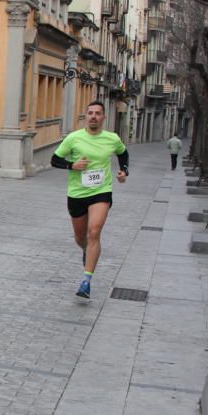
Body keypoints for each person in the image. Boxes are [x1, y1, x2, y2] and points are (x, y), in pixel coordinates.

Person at [51, 101, 129, 298]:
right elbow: (55, 159)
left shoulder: (112, 138)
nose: (93, 116)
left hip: (101, 191)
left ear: (104, 117)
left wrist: (123, 171)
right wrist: (72, 165)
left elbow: (123, 153)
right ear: (86, 116)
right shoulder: (74, 138)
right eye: (90, 113)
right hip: (77, 193)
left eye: (98, 113)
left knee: (94, 232)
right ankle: (86, 249)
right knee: (81, 237)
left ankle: (86, 281)